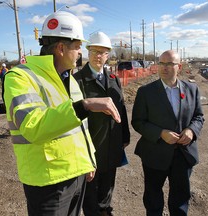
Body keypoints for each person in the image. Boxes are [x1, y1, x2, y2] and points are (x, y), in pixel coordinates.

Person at [3, 11, 121, 216]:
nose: (79, 53)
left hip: (76, 175)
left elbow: (79, 128)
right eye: (76, 47)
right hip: (48, 182)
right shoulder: (20, 78)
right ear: (60, 48)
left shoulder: (69, 79)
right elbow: (33, 126)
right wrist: (83, 106)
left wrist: (88, 159)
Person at [131, 50, 204, 216]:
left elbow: (198, 116)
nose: (164, 67)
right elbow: (138, 122)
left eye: (170, 63)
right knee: (153, 197)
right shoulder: (146, 92)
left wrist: (191, 131)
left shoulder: (192, 89)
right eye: (162, 63)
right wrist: (160, 133)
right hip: (155, 153)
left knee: (180, 199)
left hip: (183, 154)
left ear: (179, 66)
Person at [73, 32, 130, 216]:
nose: (99, 55)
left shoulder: (113, 80)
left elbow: (120, 109)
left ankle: (105, 210)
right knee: (90, 193)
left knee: (107, 187)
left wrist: (125, 136)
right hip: (91, 147)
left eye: (103, 52)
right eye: (95, 51)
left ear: (108, 55)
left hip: (112, 144)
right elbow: (74, 119)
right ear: (88, 52)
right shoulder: (78, 81)